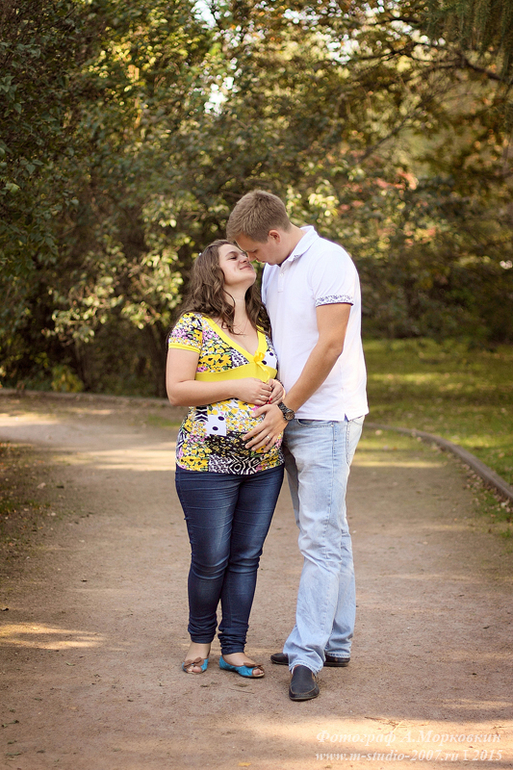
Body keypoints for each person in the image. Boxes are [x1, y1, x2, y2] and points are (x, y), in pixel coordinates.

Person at [226, 191, 368, 700]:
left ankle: (307, 654)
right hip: (289, 415)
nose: (252, 260)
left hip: (326, 418)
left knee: (319, 539)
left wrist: (286, 410)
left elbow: (330, 345)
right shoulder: (274, 269)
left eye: (253, 250)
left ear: (273, 234)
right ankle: (336, 639)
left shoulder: (329, 261)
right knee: (331, 531)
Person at [166, 239, 285, 679]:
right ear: (213, 272)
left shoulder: (263, 324)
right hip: (205, 465)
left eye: (246, 254)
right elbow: (177, 390)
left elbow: (271, 379)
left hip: (263, 465)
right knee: (211, 558)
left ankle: (234, 648)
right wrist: (237, 386)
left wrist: (279, 390)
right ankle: (200, 641)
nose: (245, 258)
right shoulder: (192, 325)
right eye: (233, 256)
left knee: (246, 558)